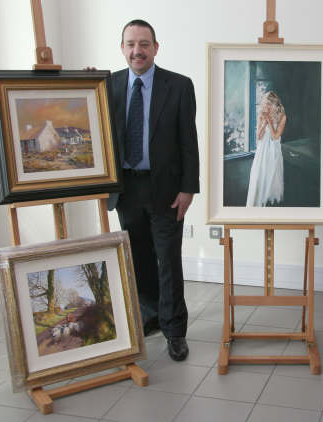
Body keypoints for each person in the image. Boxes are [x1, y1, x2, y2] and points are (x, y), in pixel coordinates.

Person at [106, 19, 199, 361]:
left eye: (144, 44)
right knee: (140, 259)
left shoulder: (178, 86)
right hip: (126, 189)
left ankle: (175, 331)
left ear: (155, 48)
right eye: (131, 44)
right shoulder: (108, 85)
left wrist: (189, 188)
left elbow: (189, 141)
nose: (137, 50)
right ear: (122, 48)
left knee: (168, 262)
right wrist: (84, 82)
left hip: (166, 191)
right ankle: (151, 317)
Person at [246, 91, 286, 207]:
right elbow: (258, 136)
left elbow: (275, 136)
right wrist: (264, 122)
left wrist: (269, 120)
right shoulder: (261, 115)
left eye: (269, 104)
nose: (266, 106)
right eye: (265, 104)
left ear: (275, 104)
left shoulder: (282, 117)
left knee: (272, 181)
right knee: (259, 178)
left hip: (274, 152)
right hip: (262, 152)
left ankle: (271, 209)